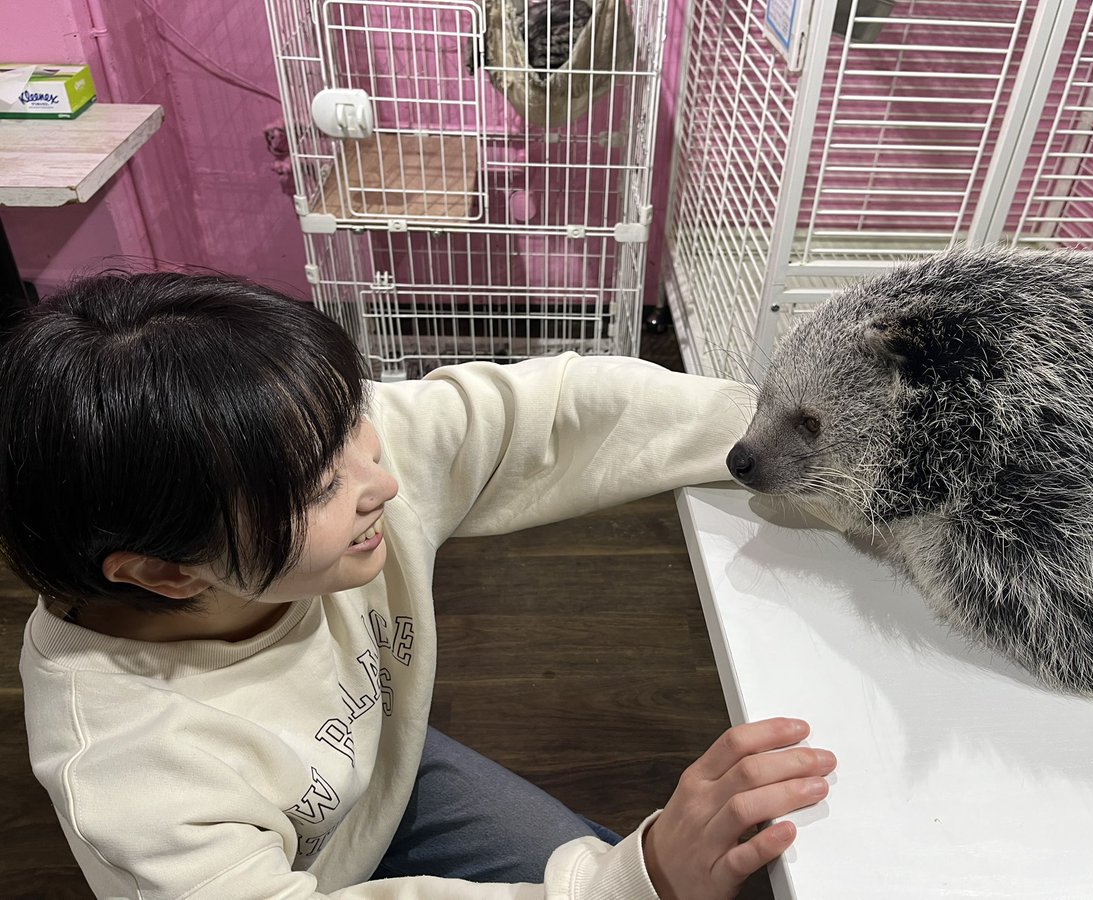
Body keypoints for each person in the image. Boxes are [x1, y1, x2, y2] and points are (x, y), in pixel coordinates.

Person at [1, 271, 837, 899]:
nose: (381, 480)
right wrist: (636, 877)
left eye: (352, 422)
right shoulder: (130, 777)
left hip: (379, 763)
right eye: (321, 485)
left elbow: (559, 407)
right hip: (292, 869)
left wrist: (808, 452)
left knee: (601, 860)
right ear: (165, 572)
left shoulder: (303, 452)